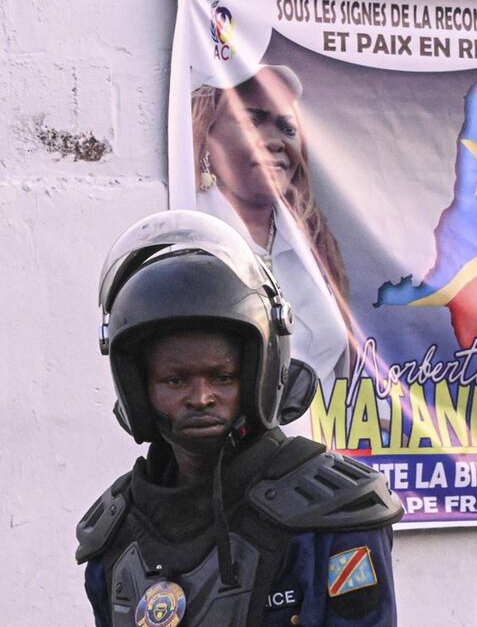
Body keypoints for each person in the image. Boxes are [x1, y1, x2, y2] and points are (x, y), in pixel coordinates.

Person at [75, 210, 402, 626]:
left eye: (222, 377)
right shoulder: (115, 538)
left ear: (256, 376)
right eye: (175, 380)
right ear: (140, 391)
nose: (201, 397)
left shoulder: (334, 517)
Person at [191, 64, 352, 404]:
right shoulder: (190, 240)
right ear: (207, 132)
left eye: (286, 127)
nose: (275, 141)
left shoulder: (314, 247)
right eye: (254, 120)